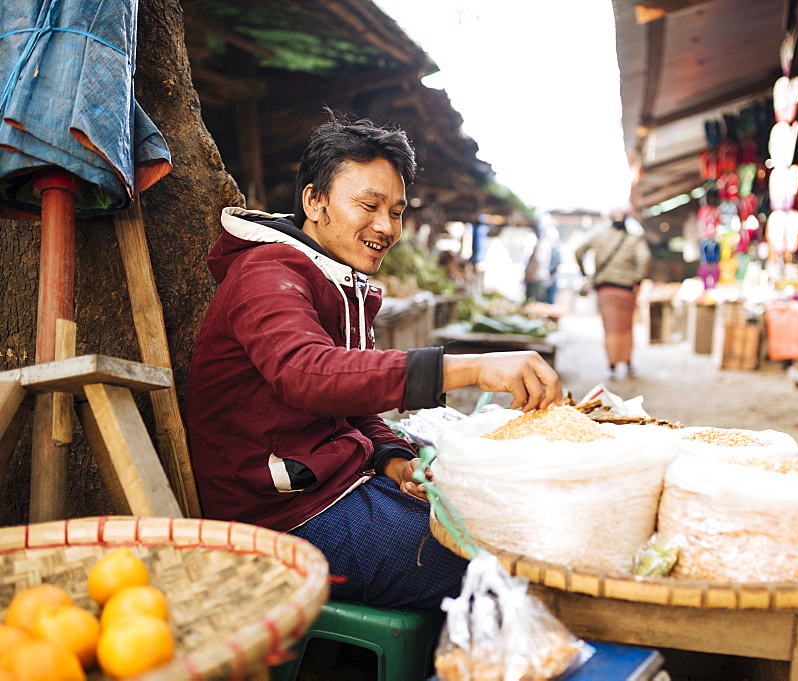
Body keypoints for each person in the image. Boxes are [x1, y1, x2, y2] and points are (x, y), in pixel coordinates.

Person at [185, 113, 562, 611]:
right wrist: (468, 368)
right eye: (368, 205)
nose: (385, 227)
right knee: (496, 562)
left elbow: (351, 401)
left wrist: (391, 457)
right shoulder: (266, 273)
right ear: (314, 201)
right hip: (281, 517)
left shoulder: (338, 283)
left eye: (397, 211)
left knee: (498, 521)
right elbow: (310, 375)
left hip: (337, 488)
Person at [574, 213, 651, 380]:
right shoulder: (634, 239)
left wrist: (585, 273)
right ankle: (628, 363)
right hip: (627, 290)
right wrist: (637, 278)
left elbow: (578, 251)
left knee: (610, 328)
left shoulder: (599, 235)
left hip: (605, 289)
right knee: (626, 327)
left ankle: (612, 366)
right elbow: (644, 258)